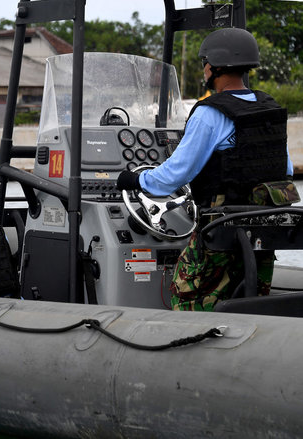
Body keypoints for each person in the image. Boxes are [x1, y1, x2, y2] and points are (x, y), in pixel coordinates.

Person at [116, 27, 299, 311]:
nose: (204, 70)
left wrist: (136, 180)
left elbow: (175, 175)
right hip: (264, 233)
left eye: (204, 64)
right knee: (251, 303)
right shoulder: (268, 107)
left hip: (221, 232)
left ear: (213, 66)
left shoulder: (210, 113)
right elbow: (284, 168)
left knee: (186, 294)